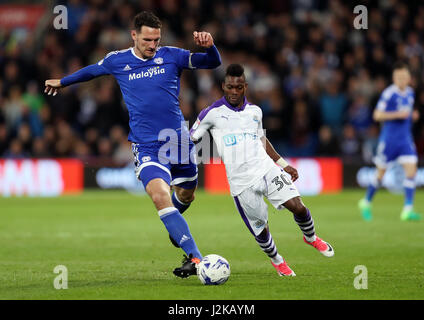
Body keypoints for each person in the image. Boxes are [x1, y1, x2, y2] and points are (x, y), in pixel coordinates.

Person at [44, 11, 222, 277]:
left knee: (186, 195)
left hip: (178, 142)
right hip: (147, 146)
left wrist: (211, 47)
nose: (153, 45)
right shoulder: (118, 60)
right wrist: (63, 82)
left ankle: (177, 226)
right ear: (134, 36)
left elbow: (212, 63)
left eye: (156, 40)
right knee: (160, 197)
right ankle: (197, 260)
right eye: (148, 39)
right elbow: (92, 71)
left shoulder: (172, 55)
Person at [189, 64, 334, 277]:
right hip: (241, 182)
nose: (234, 92)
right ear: (223, 86)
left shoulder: (255, 111)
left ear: (245, 87)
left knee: (298, 207)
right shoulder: (211, 113)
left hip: (266, 169)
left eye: (239, 87)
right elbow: (191, 137)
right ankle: (278, 261)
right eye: (230, 87)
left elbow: (261, 139)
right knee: (261, 228)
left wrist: (283, 164)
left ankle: (311, 238)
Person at [358, 62, 421, 221]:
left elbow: (407, 113)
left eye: (404, 77)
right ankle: (366, 202)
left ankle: (407, 209)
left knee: (411, 171)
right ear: (394, 78)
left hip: (405, 140)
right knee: (380, 173)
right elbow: (377, 115)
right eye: (398, 77)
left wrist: (412, 116)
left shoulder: (410, 93)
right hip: (389, 140)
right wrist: (397, 114)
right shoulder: (389, 94)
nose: (401, 80)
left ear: (408, 78)